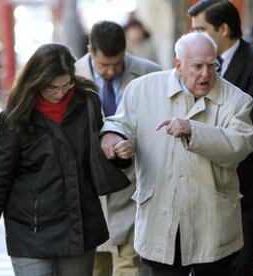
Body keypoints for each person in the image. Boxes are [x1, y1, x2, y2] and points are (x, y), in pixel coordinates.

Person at [100, 32, 253, 276]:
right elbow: (120, 124)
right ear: (178, 65)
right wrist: (113, 138)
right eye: (198, 66)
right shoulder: (142, 89)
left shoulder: (236, 100)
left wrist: (193, 130)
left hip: (213, 221)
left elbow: (239, 145)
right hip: (162, 217)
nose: (206, 73)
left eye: (212, 65)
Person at [0, 43, 112, 275]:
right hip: (30, 230)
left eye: (67, 85)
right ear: (36, 81)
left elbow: (99, 157)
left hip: (80, 226)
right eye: (52, 87)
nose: (60, 93)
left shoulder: (88, 103)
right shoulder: (15, 118)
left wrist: (117, 150)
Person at [188, 1, 253, 275]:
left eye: (201, 29)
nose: (195, 37)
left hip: (241, 181)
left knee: (242, 263)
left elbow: (252, 118)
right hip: (199, 180)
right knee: (203, 263)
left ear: (224, 29)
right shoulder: (190, 59)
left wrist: (201, 131)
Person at [75, 20, 160, 276]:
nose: (111, 71)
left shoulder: (150, 73)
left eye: (117, 63)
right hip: (91, 189)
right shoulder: (70, 75)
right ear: (91, 50)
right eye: (103, 65)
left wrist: (130, 144)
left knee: (130, 266)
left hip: (133, 184)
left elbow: (158, 127)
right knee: (95, 266)